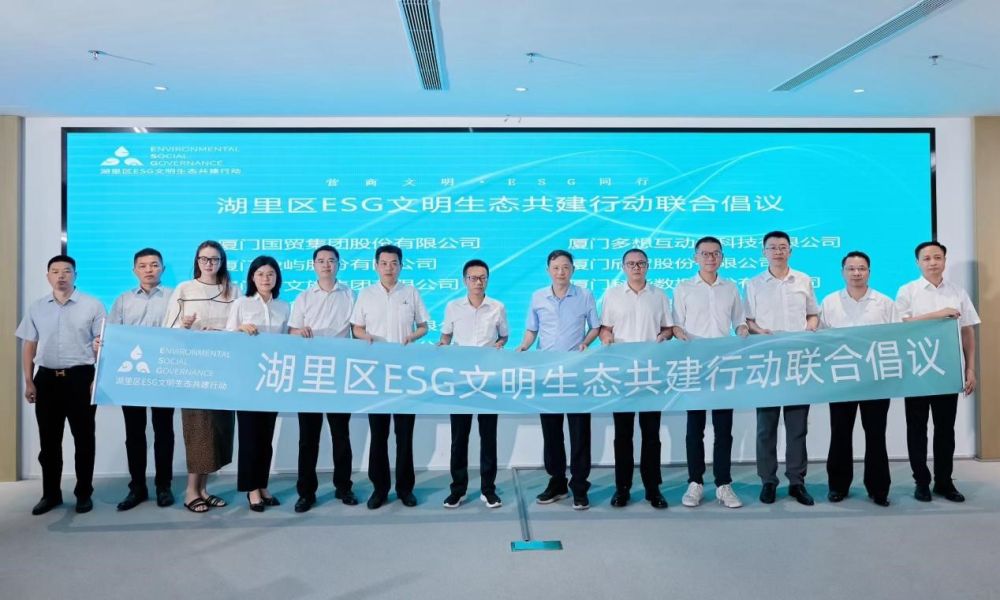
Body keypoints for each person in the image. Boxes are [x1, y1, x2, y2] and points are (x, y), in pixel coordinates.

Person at [16, 255, 105, 515]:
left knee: (84, 439)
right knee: (49, 442)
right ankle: (51, 494)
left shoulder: (92, 305)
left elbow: (104, 346)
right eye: (55, 271)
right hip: (46, 380)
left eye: (67, 271)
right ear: (48, 276)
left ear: (75, 275)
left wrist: (97, 379)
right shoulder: (37, 307)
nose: (61, 276)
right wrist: (28, 381)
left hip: (81, 379)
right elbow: (29, 344)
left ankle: (83, 493)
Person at [896, 240, 980, 503]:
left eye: (937, 257)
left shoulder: (957, 292)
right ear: (918, 263)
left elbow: (967, 331)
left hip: (947, 370)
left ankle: (944, 481)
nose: (932, 262)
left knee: (945, 429)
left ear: (944, 260)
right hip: (916, 371)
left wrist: (970, 368)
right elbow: (901, 325)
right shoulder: (907, 291)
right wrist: (939, 314)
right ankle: (921, 481)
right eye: (926, 258)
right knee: (917, 428)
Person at [516, 250, 601, 510]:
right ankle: (557, 482)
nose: (561, 272)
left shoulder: (584, 295)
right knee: (551, 430)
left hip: (576, 371)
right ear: (548, 271)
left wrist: (586, 343)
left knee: (579, 430)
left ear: (573, 269)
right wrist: (524, 346)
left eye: (565, 267)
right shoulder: (538, 297)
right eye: (556, 267)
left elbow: (595, 326)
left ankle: (580, 486)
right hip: (547, 372)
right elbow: (532, 329)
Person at [351, 244, 430, 509]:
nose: (389, 268)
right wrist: (366, 336)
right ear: (376, 266)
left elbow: (424, 326)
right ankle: (380, 489)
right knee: (379, 434)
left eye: (394, 263)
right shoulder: (366, 294)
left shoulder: (411, 292)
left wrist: (412, 336)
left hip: (406, 373)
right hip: (375, 374)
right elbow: (356, 328)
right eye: (384, 263)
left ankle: (405, 488)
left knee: (404, 435)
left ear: (401, 266)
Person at [672, 236, 748, 509]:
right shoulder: (683, 288)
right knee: (695, 429)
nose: (710, 258)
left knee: (724, 429)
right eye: (705, 253)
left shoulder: (731, 287)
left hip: (723, 366)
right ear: (695, 257)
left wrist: (742, 331)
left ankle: (723, 484)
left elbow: (739, 321)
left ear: (722, 257)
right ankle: (695, 482)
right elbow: (676, 324)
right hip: (694, 366)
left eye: (715, 253)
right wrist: (680, 333)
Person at [745, 231, 820, 506]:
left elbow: (813, 314)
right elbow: (748, 320)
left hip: (798, 362)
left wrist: (810, 329)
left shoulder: (803, 280)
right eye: (772, 247)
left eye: (782, 247)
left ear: (790, 251)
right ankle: (768, 481)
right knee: (766, 427)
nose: (778, 251)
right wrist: (758, 331)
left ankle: (797, 482)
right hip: (767, 362)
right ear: (764, 252)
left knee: (797, 426)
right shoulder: (753, 284)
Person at [163, 240, 238, 513]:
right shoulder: (185, 289)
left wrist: (222, 333)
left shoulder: (233, 290)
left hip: (224, 369)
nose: (209, 263)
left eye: (214, 259)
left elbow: (238, 328)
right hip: (194, 369)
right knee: (198, 429)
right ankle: (190, 492)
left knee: (218, 430)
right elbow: (168, 330)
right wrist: (184, 326)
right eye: (204, 259)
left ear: (222, 262)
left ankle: (204, 490)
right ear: (197, 261)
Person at [820, 251, 897, 507]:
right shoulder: (829, 302)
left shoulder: (884, 302)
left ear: (869, 272)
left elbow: (897, 337)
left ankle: (878, 488)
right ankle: (838, 486)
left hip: (876, 380)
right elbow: (821, 341)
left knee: (876, 434)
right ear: (843, 272)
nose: (856, 273)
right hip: (841, 380)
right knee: (840, 433)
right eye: (851, 268)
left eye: (861, 268)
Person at [600, 248, 672, 509]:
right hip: (623, 374)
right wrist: (606, 337)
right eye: (631, 264)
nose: (636, 267)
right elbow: (605, 328)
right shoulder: (612, 295)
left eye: (641, 263)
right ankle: (622, 488)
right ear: (623, 267)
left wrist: (663, 337)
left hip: (651, 373)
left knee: (651, 434)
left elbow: (668, 328)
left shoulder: (659, 295)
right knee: (623, 434)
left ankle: (653, 489)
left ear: (648, 266)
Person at [105, 248, 176, 510]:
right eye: (143, 265)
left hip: (164, 373)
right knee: (134, 433)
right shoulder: (123, 300)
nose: (149, 270)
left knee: (164, 432)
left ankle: (164, 486)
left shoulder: (175, 297)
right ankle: (137, 487)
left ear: (162, 269)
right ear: (134, 270)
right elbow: (112, 335)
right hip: (131, 375)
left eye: (154, 265)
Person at [289, 245, 358, 513]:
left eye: (331, 260)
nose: (326, 265)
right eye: (321, 261)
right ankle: (306, 492)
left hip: (339, 373)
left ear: (339, 264)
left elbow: (357, 330)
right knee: (308, 438)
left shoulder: (350, 294)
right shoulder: (304, 297)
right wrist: (300, 332)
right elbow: (292, 331)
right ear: (314, 265)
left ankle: (344, 487)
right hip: (310, 374)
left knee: (341, 435)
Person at [438, 259, 509, 509]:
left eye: (482, 278)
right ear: (464, 280)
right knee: (459, 438)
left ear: (487, 280)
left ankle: (488, 490)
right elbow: (446, 335)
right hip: (461, 380)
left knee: (488, 437)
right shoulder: (453, 307)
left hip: (488, 380)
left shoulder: (497, 307)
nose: (478, 282)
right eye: (473, 278)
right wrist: (442, 346)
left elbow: (504, 336)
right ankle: (457, 490)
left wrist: (500, 344)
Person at [228, 256, 290, 512]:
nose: (266, 278)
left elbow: (287, 342)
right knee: (249, 435)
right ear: (252, 277)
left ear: (277, 278)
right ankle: (251, 489)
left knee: (266, 436)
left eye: (271, 274)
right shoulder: (241, 303)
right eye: (261, 274)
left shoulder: (284, 307)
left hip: (272, 378)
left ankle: (262, 485)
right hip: (247, 379)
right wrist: (240, 329)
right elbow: (227, 337)